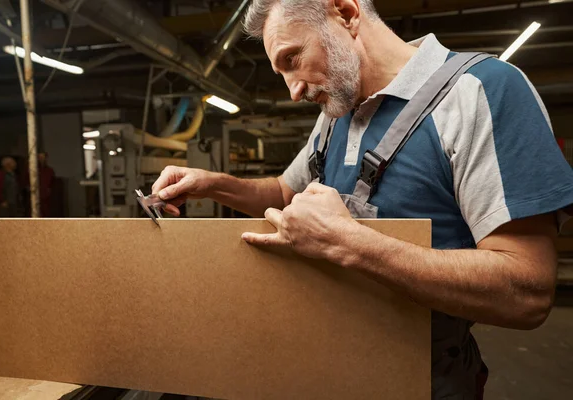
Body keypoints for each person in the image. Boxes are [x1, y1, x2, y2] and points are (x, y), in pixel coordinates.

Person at [152, 1, 573, 398]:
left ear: (346, 12)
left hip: (423, 383)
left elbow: (526, 293)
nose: (293, 91)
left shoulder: (481, 91)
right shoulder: (338, 113)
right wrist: (211, 184)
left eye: (292, 60)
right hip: (328, 369)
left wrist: (346, 242)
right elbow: (284, 192)